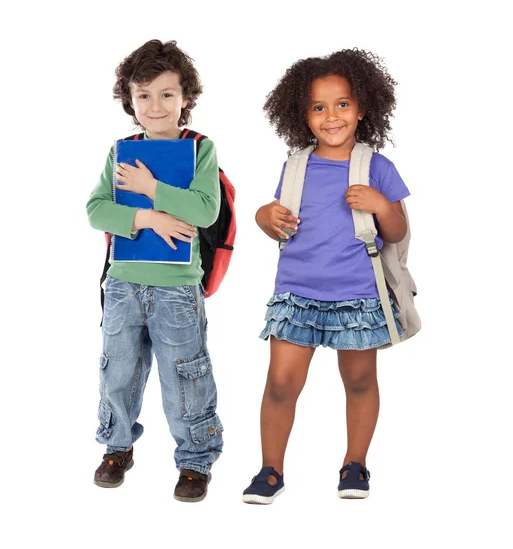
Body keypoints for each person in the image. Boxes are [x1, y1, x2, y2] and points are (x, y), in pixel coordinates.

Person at [242, 49, 410, 504]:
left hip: (357, 297)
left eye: (342, 104)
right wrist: (263, 215)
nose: (331, 116)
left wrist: (381, 206)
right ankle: (270, 470)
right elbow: (277, 220)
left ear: (362, 108)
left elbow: (397, 231)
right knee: (280, 383)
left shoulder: (376, 166)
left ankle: (355, 464)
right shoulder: (295, 165)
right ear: (302, 115)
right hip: (296, 292)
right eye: (318, 107)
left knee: (358, 381)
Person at [87, 39, 223, 502]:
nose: (155, 105)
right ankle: (117, 446)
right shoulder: (121, 149)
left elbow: (206, 211)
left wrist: (151, 188)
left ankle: (195, 461)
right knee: (118, 369)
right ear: (130, 100)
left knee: (184, 372)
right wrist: (148, 217)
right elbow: (96, 210)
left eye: (167, 93)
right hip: (123, 283)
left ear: (186, 98)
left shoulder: (200, 149)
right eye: (143, 95)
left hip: (177, 287)